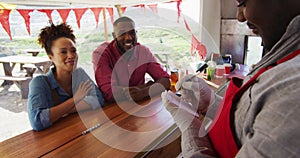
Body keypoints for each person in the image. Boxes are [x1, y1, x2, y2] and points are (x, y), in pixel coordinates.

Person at [162, 0, 300, 157]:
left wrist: (190, 128)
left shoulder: (293, 93)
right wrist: (212, 104)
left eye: (243, 2)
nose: (239, 16)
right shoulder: (286, 57)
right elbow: (246, 121)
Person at [28, 23, 104, 131]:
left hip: (77, 131)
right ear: (51, 57)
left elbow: (98, 99)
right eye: (63, 52)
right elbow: (37, 121)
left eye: (73, 51)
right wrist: (76, 99)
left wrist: (62, 111)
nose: (71, 56)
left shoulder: (79, 74)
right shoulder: (40, 83)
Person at [94, 16, 170, 103]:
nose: (128, 38)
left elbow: (165, 81)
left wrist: (143, 92)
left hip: (141, 104)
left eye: (132, 33)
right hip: (114, 109)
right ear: (114, 36)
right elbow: (109, 93)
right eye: (122, 33)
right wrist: (147, 86)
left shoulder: (143, 51)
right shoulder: (101, 54)